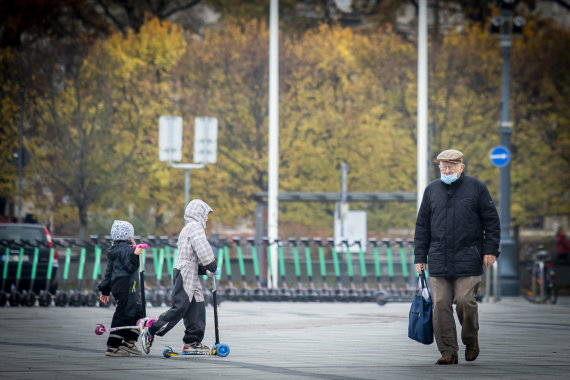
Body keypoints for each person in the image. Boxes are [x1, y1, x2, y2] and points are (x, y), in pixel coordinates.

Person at [414, 149, 500, 365]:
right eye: (443, 166)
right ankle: (448, 351)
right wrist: (419, 257)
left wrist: (490, 250)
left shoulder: (476, 187)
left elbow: (491, 221)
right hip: (438, 258)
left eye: (451, 166)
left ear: (461, 167)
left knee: (465, 301)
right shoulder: (432, 190)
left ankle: (471, 340)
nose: (447, 169)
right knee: (440, 304)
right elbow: (422, 225)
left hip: (469, 257)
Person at [140, 199, 217, 355]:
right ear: (198, 213)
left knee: (196, 306)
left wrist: (203, 269)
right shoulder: (195, 228)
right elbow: (202, 249)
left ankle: (192, 342)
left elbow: (190, 253)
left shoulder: (187, 228)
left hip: (189, 270)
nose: (207, 218)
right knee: (180, 306)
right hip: (186, 271)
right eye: (206, 214)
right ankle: (151, 330)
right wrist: (211, 264)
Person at [98, 220, 144, 357]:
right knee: (125, 313)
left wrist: (105, 290)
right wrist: (135, 255)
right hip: (127, 285)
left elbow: (108, 272)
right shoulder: (126, 249)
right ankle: (113, 345)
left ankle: (129, 342)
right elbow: (130, 267)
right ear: (129, 236)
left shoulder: (115, 250)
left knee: (137, 311)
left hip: (118, 285)